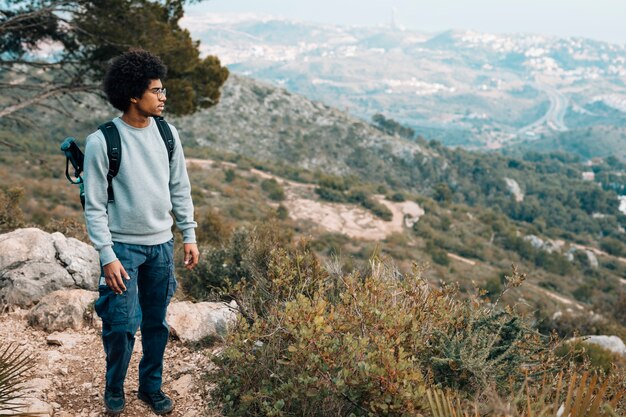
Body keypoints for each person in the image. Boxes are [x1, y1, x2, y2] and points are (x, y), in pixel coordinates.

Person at [83, 49, 199, 415]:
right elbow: (95, 206)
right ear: (134, 95)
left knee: (156, 325)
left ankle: (151, 387)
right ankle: (114, 388)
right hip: (123, 251)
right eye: (157, 90)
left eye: (163, 90)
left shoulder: (168, 134)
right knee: (120, 326)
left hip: (162, 248)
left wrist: (190, 234)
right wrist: (107, 255)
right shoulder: (102, 141)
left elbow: (180, 187)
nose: (164, 97)